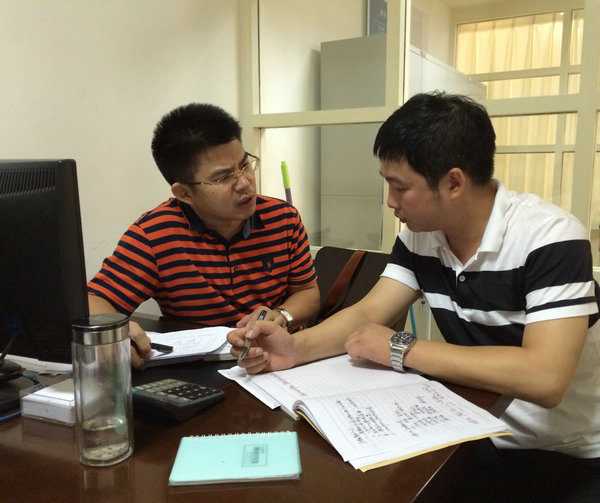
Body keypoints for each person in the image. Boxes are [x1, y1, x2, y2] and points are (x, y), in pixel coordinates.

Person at [228, 92, 600, 501]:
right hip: (475, 433)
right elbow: (369, 312)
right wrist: (294, 349)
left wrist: (401, 347)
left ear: (453, 183)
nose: (390, 201)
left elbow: (546, 378)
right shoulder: (420, 236)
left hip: (569, 453)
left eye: (400, 187)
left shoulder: (549, 236)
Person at [88, 103, 320, 368]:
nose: (245, 183)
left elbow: (307, 292)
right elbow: (94, 300)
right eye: (223, 178)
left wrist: (282, 315)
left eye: (245, 165)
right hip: (201, 370)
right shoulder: (155, 234)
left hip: (278, 360)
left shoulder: (283, 218)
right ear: (184, 193)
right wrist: (116, 329)